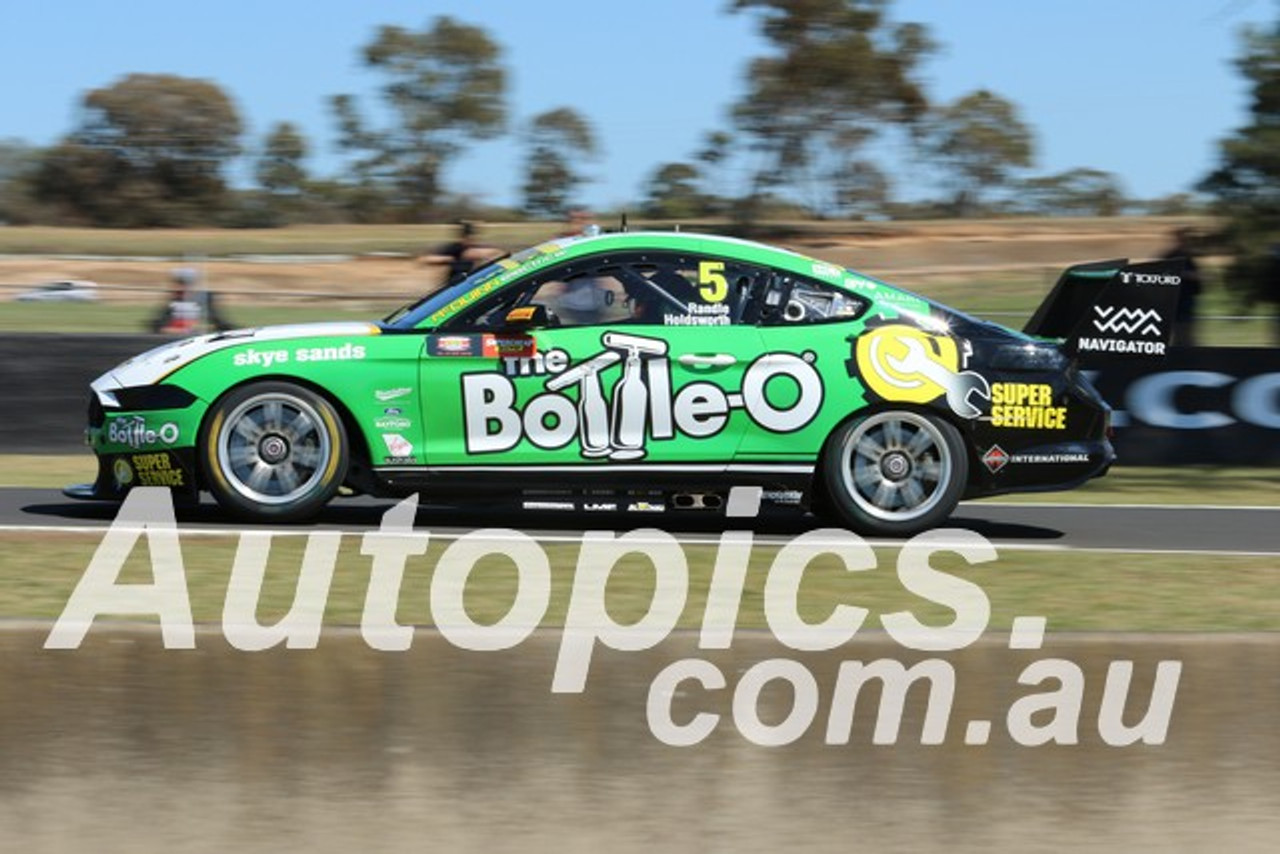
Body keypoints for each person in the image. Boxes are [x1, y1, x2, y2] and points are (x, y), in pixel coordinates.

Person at [420, 221, 500, 285]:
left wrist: (481, 253)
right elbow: (426, 259)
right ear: (462, 237)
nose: (471, 240)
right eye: (468, 238)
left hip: (470, 284)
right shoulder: (454, 248)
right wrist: (447, 258)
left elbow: (497, 252)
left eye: (473, 238)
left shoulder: (476, 248)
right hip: (453, 284)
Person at [1161, 228, 1202, 347]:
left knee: (1185, 337)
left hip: (1186, 304)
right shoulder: (1171, 257)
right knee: (1182, 338)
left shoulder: (1188, 258)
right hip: (1175, 304)